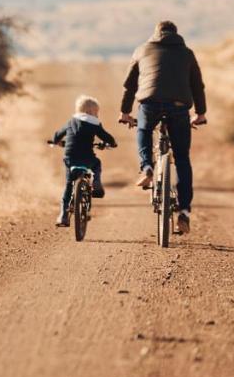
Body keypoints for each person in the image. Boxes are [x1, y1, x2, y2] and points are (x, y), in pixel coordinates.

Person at [117, 20, 207, 235]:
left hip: (150, 104)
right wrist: (201, 113)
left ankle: (147, 166)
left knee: (144, 131)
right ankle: (184, 212)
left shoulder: (142, 50)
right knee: (182, 158)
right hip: (179, 107)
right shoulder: (187, 53)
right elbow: (197, 85)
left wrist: (125, 112)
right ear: (176, 34)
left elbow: (129, 85)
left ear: (156, 33)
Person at [49, 94, 117, 227]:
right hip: (87, 157)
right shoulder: (94, 123)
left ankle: (63, 215)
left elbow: (57, 135)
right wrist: (112, 143)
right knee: (97, 163)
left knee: (69, 184)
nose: (97, 116)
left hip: (70, 157)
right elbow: (106, 137)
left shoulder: (70, 122)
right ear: (90, 112)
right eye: (96, 113)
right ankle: (96, 181)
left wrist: (56, 141)